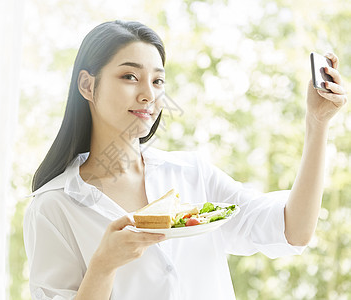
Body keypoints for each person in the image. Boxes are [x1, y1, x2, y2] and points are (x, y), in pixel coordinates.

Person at [23, 20, 347, 300]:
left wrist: (317, 124)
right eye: (130, 77)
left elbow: (294, 229)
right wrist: (103, 264)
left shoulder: (192, 175)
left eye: (158, 80)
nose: (148, 94)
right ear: (87, 85)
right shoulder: (54, 206)